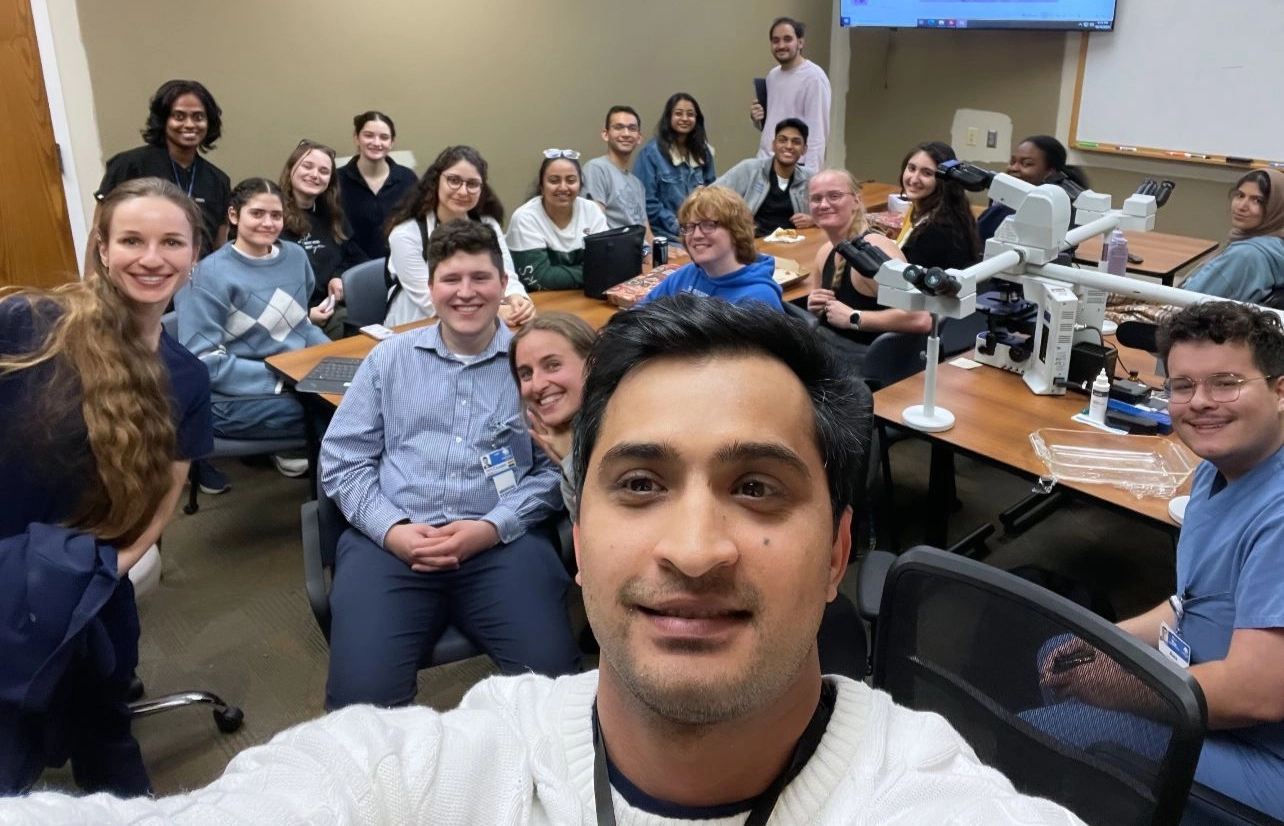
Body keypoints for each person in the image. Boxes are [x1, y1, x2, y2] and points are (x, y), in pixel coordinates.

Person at [0, 296, 1088, 823]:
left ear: (842, 546)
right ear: (582, 531)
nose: (696, 548)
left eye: (758, 487)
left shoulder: (927, 797)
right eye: (641, 483)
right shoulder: (420, 779)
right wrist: (392, 528)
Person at [0, 177, 212, 797]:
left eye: (171, 241)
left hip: (87, 578)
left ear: (193, 254)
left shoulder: (186, 377)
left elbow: (166, 493)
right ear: (102, 248)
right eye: (132, 240)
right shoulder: (29, 321)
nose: (152, 258)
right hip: (4, 561)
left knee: (104, 728)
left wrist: (106, 571)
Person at [1035, 301, 1284, 820]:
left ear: (1280, 391)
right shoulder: (1222, 469)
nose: (1201, 403)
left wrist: (1122, 685)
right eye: (1183, 386)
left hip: (1265, 756)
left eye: (1226, 383)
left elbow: (1257, 695)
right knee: (1063, 653)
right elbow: (1190, 602)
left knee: (1050, 731)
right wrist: (1105, 644)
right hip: (1206, 680)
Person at [320, 219, 579, 711]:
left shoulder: (531, 366)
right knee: (359, 712)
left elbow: (555, 468)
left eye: (480, 278)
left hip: (503, 543)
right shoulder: (388, 361)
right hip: (392, 546)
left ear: (503, 286)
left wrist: (491, 527)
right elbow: (343, 460)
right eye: (451, 279)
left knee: (559, 695)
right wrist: (391, 529)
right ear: (430, 287)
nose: (466, 293)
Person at [174, 178, 332, 478]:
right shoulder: (207, 277)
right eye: (257, 213)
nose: (268, 223)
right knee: (339, 416)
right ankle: (336, 510)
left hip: (293, 379)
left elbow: (301, 325)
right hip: (227, 398)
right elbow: (204, 362)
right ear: (234, 216)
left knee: (362, 397)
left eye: (276, 215)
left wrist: (330, 360)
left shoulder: (296, 257)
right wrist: (287, 376)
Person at [384, 145, 534, 325]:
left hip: (479, 315)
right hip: (419, 321)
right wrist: (495, 310)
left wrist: (517, 299)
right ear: (436, 181)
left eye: (472, 184)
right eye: (454, 180)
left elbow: (505, 273)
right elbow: (429, 298)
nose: (463, 191)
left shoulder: (488, 225)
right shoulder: (406, 234)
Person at [93, 80, 231, 260]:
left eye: (198, 117)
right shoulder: (129, 165)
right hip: (141, 273)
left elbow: (219, 247)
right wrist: (91, 285)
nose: (190, 125)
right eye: (179, 116)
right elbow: (99, 232)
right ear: (163, 120)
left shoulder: (218, 180)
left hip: (197, 281)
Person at [804, 168, 930, 360]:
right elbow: (822, 315)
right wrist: (814, 305)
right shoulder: (825, 252)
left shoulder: (874, 251)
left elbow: (921, 318)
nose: (823, 204)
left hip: (867, 366)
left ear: (856, 200)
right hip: (830, 356)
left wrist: (854, 317)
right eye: (816, 198)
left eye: (834, 196)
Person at [510, 312, 597, 520]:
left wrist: (571, 461)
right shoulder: (568, 437)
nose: (538, 385)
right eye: (526, 374)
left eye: (553, 365)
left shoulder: (630, 429)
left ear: (594, 364)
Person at [636, 186, 782, 310]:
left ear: (735, 230)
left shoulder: (759, 299)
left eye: (708, 225)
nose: (697, 235)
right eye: (690, 226)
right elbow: (637, 316)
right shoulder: (687, 274)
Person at [278, 139, 368, 339]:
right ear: (291, 169)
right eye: (307, 166)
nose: (314, 175)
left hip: (330, 311)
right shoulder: (272, 216)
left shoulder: (333, 216)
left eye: (323, 171)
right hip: (284, 318)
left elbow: (357, 258)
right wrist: (306, 315)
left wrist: (339, 276)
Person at [506, 150, 608, 291]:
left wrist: (598, 273)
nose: (563, 187)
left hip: (584, 298)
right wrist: (590, 273)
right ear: (541, 185)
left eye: (571, 180)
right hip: (537, 303)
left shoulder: (592, 211)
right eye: (554, 180)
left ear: (580, 185)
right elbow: (541, 277)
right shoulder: (525, 217)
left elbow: (606, 265)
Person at [1181, 169, 1284, 305]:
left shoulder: (1246, 255)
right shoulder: (1276, 245)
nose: (1241, 206)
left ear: (1276, 207)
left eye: (1257, 201)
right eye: (1240, 195)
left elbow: (1187, 299)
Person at [750, 16, 831, 169]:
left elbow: (817, 134)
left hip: (794, 168)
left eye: (787, 39)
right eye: (775, 40)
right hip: (764, 163)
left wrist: (810, 178)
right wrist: (756, 118)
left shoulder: (814, 78)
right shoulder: (772, 76)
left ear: (800, 42)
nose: (781, 45)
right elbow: (773, 122)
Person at [634, 93, 717, 241]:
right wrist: (680, 227)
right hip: (666, 233)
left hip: (700, 230)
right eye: (678, 114)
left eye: (690, 114)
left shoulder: (704, 152)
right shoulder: (651, 154)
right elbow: (648, 203)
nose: (685, 118)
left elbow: (712, 192)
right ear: (668, 117)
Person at [336, 111, 418, 260]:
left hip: (399, 268)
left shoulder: (408, 179)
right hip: (349, 270)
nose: (376, 142)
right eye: (368, 135)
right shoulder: (336, 180)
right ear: (356, 138)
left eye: (384, 137)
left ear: (392, 142)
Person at [977, 135, 1090, 242]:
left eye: (1026, 164)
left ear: (1050, 172)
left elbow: (976, 238)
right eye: (1012, 162)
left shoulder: (1039, 205)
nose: (1014, 168)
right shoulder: (1006, 197)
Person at [715, 117, 815, 237]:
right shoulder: (750, 169)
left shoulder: (811, 178)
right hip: (753, 245)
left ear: (804, 149)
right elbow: (711, 195)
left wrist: (814, 220)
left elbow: (834, 212)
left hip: (794, 244)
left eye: (796, 142)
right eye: (782, 140)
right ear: (773, 145)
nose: (789, 146)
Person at [896, 141, 982, 270]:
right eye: (911, 168)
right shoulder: (949, 211)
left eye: (927, 173)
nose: (913, 179)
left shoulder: (936, 230)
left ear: (944, 181)